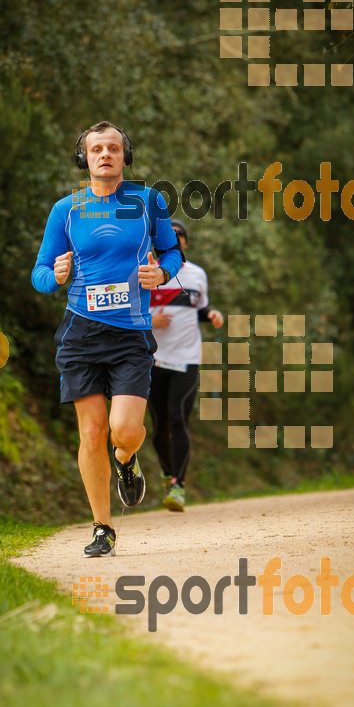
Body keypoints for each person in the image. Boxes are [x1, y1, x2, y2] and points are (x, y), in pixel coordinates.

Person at [31, 121, 183, 557]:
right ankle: (102, 528)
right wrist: (54, 276)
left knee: (125, 430)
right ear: (84, 158)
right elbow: (40, 273)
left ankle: (127, 461)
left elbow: (172, 252)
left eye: (113, 148)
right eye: (96, 148)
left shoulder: (148, 201)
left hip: (131, 332)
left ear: (125, 155)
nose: (105, 155)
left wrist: (164, 272)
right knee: (93, 432)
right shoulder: (67, 210)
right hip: (80, 331)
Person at [148, 219, 223, 511]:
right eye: (169, 236)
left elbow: (199, 309)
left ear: (186, 243)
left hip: (187, 357)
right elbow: (128, 310)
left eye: (179, 236)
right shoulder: (146, 272)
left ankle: (178, 485)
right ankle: (168, 472)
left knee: (179, 419)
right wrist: (150, 320)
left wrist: (213, 314)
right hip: (152, 358)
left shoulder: (197, 275)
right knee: (159, 427)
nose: (175, 239)